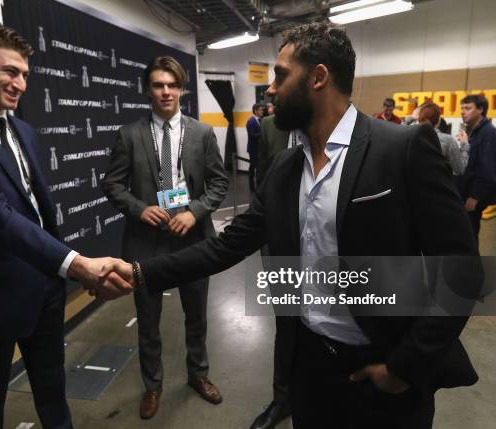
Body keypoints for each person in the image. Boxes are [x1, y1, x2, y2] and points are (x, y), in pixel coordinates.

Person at [103, 22, 480, 429]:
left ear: (318, 77)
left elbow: (461, 266)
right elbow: (226, 245)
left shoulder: (402, 149)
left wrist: (404, 368)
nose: (270, 88)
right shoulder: (285, 166)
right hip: (310, 367)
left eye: (281, 75)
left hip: (383, 370)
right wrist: (139, 272)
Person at [0, 23, 132, 429]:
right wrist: (78, 264)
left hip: (45, 288)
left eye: (26, 75)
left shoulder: (24, 131)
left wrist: (59, 269)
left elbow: (34, 210)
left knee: (53, 389)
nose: (20, 84)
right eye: (10, 72)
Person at [102, 56, 228, 419]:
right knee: (148, 320)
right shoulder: (129, 135)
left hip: (193, 239)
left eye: (172, 84)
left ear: (182, 90)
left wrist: (195, 212)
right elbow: (112, 183)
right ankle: (153, 385)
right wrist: (139, 208)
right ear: (148, 90)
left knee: (197, 316)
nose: (166, 91)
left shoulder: (202, 133)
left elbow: (218, 182)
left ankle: (198, 374)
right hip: (146, 242)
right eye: (158, 85)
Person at [252, 114, 293, 429]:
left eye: (282, 76)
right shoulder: (269, 126)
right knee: (288, 325)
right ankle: (283, 400)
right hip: (281, 246)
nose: (273, 89)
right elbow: (263, 179)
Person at [457, 94, 496, 238]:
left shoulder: (488, 133)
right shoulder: (474, 131)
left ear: (480, 109)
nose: (462, 111)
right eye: (462, 108)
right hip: (467, 193)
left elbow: (488, 170)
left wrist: (475, 197)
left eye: (467, 108)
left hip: (473, 198)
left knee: (469, 239)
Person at [418, 102, 464, 175]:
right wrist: (465, 145)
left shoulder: (409, 136)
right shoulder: (447, 140)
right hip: (436, 184)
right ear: (439, 120)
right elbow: (460, 169)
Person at [246, 103, 264, 192]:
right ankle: (251, 187)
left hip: (259, 149)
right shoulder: (250, 121)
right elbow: (252, 135)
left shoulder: (261, 120)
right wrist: (263, 134)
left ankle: (258, 185)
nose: (262, 111)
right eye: (260, 110)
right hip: (253, 149)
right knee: (252, 168)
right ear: (255, 111)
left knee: (259, 168)